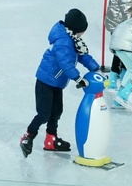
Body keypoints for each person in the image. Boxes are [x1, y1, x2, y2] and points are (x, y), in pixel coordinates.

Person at [20, 9, 100, 157]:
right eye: (82, 31)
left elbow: (82, 56)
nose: (83, 34)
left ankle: (51, 139)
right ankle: (28, 136)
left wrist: (95, 68)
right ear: (77, 29)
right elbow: (65, 63)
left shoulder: (72, 38)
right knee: (44, 114)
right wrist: (78, 78)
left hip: (57, 82)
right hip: (46, 81)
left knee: (56, 111)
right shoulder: (63, 42)